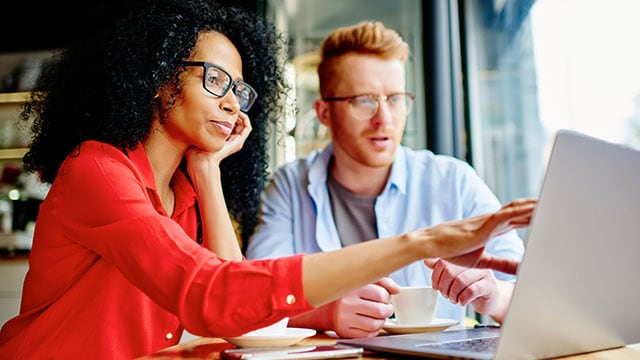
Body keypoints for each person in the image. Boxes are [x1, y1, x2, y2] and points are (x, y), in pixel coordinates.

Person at [0, 1, 535, 358]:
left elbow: (235, 314)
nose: (233, 101)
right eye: (215, 80)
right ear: (161, 82)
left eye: (240, 88)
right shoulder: (99, 170)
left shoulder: (184, 192)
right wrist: (423, 243)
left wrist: (207, 172)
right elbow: (211, 296)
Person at [246, 21, 526, 338]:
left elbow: (535, 296)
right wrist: (325, 314)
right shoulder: (289, 187)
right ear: (324, 113)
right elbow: (254, 297)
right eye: (364, 100)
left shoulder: (454, 181)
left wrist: (495, 296)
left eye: (395, 98)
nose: (385, 119)